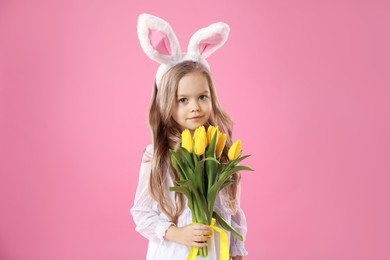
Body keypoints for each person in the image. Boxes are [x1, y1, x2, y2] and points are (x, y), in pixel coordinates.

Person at [131, 14, 247, 260]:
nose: (194, 107)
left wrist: (236, 254)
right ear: (166, 105)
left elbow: (232, 211)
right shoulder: (158, 153)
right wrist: (177, 233)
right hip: (174, 251)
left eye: (202, 97)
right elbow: (141, 212)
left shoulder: (218, 150)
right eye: (183, 100)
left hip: (214, 251)